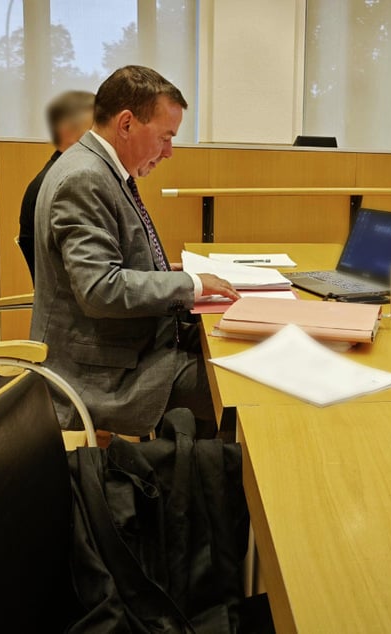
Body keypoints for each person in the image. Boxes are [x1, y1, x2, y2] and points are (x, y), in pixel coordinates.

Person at [30, 66, 238, 438]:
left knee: (235, 350)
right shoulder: (85, 178)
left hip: (126, 344)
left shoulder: (98, 168)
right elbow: (99, 290)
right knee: (237, 386)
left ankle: (196, 475)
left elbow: (112, 261)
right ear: (126, 124)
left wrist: (166, 272)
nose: (170, 151)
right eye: (165, 137)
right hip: (102, 372)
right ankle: (206, 483)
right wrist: (189, 283)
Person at [18, 90, 94, 281]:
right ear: (67, 131)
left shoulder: (57, 172)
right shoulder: (69, 184)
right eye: (96, 129)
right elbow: (90, 277)